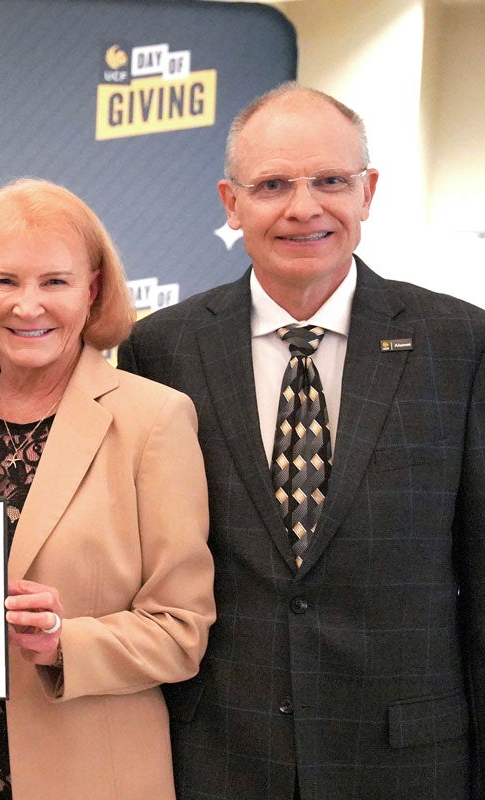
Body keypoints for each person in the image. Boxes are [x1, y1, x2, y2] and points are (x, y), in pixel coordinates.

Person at [118, 83, 485, 800]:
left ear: (368, 191)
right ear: (231, 201)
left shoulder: (461, 344)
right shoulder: (161, 349)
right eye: (273, 184)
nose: (304, 207)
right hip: (220, 755)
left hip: (410, 761)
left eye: (330, 181)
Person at [0, 178, 215, 800]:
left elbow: (182, 630)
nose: (27, 306)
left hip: (86, 778)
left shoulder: (154, 419)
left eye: (55, 282)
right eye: (5, 281)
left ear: (93, 290)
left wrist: (68, 643)